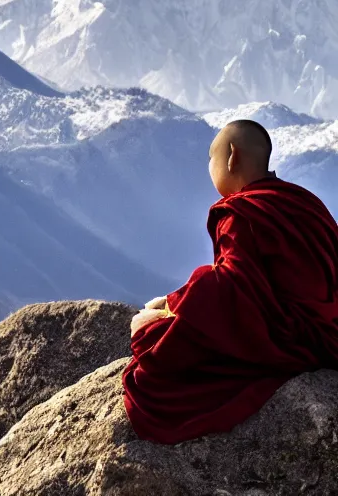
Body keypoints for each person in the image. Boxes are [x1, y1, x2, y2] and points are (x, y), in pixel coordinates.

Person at [121, 118, 338, 445]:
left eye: (212, 157)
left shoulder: (241, 211)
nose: (210, 167)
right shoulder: (304, 201)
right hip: (330, 332)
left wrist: (173, 304)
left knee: (148, 345)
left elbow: (231, 284)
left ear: (232, 157)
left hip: (291, 336)